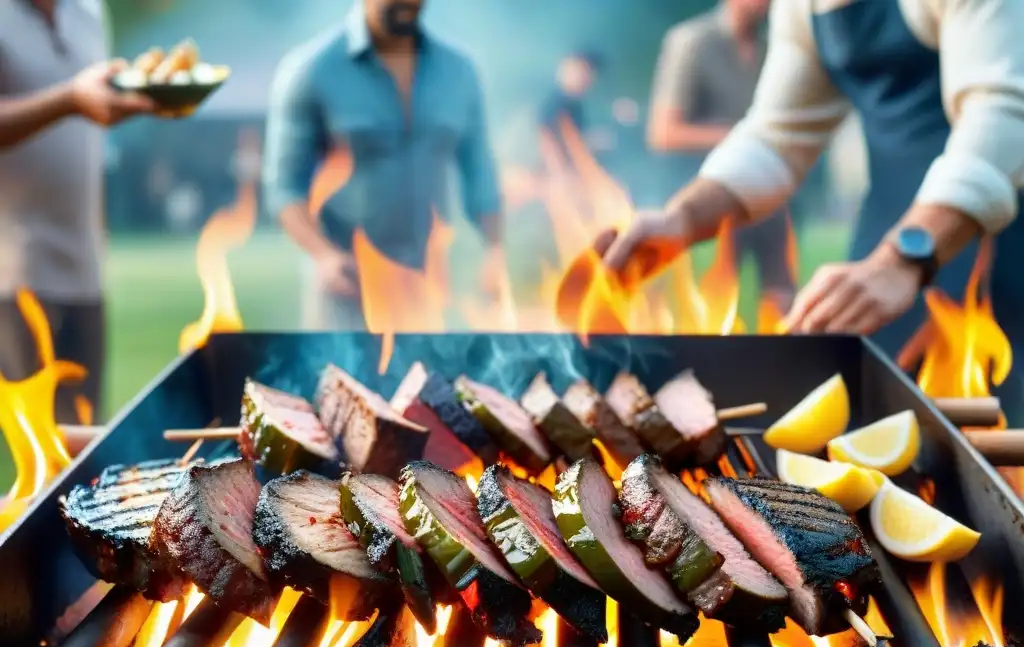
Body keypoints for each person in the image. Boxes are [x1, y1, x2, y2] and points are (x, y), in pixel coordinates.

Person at [598, 0, 1024, 421]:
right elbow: (776, 137)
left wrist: (904, 258)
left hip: (992, 243)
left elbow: (1002, 121)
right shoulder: (801, 7)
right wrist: (682, 218)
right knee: (876, 427)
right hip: (884, 242)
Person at [263, 0, 505, 330]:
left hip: (428, 287)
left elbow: (480, 173)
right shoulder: (311, 70)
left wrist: (493, 250)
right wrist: (324, 255)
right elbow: (284, 187)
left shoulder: (460, 72)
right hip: (347, 289)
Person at [0, 0, 153, 422]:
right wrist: (69, 99)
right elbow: (75, 99)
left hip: (85, 265)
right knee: (41, 441)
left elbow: (93, 106)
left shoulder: (89, 11)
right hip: (15, 271)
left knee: (84, 438)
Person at [646, 0, 794, 310]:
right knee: (715, 304)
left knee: (782, 295)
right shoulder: (692, 42)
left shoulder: (775, 47)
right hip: (709, 200)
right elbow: (664, 133)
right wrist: (746, 141)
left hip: (769, 197)